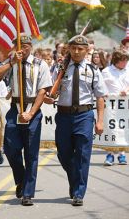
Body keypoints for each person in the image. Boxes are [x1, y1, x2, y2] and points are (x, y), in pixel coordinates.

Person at [0, 34, 52, 206]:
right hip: (15, 109)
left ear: (30, 46)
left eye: (25, 46)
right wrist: (11, 62)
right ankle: (21, 179)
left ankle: (27, 193)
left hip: (32, 110)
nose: (22, 49)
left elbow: (42, 91)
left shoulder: (41, 64)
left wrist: (31, 113)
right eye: (18, 46)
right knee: (10, 148)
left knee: (31, 154)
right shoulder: (11, 61)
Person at [51, 35, 106, 207]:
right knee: (64, 154)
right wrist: (49, 95)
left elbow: (99, 97)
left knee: (82, 155)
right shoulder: (60, 68)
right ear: (68, 49)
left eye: (80, 49)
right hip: (64, 115)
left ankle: (78, 192)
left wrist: (100, 121)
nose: (76, 51)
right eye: (73, 48)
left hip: (84, 116)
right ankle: (75, 179)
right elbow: (51, 92)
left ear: (87, 50)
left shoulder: (92, 70)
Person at [101, 49, 129, 166]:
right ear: (117, 60)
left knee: (123, 128)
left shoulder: (128, 70)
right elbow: (101, 86)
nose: (125, 63)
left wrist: (127, 90)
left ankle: (122, 154)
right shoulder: (107, 71)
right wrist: (105, 93)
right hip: (111, 106)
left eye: (126, 60)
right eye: (123, 60)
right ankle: (110, 155)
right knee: (111, 129)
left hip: (125, 105)